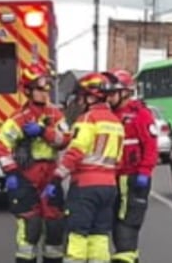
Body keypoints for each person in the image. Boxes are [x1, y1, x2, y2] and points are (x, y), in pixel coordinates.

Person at [0, 64, 70, 263]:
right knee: (31, 227)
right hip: (27, 176)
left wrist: (44, 132)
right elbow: (0, 146)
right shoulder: (20, 118)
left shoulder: (55, 115)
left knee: (55, 227)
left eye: (47, 88)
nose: (45, 92)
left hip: (50, 176)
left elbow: (65, 139)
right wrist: (11, 172)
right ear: (27, 91)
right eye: (40, 88)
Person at [46, 72, 124, 263]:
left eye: (81, 97)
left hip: (85, 187)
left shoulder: (87, 119)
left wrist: (57, 177)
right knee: (99, 234)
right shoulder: (116, 122)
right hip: (109, 187)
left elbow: (76, 151)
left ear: (91, 97)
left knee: (77, 233)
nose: (79, 102)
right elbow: (119, 160)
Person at [106, 69, 158, 263]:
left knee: (127, 224)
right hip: (112, 177)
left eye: (113, 93)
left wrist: (144, 172)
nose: (109, 97)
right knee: (113, 223)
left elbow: (151, 146)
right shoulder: (107, 115)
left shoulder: (140, 115)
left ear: (125, 92)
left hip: (132, 176)